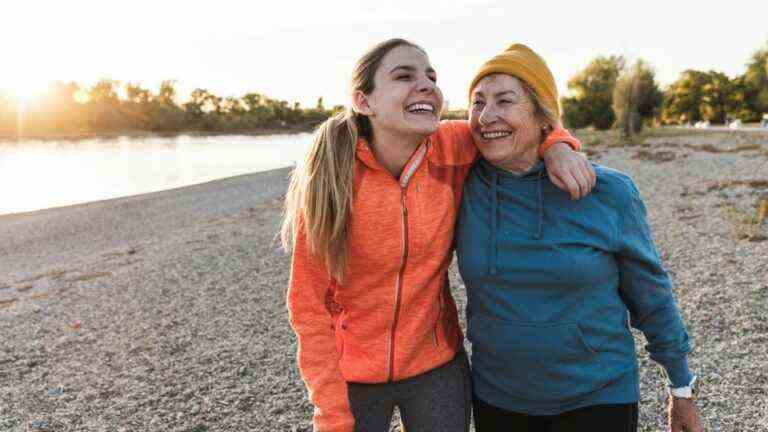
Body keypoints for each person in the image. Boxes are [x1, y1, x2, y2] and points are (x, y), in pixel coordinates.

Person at [282, 38, 594, 432]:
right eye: (404, 76)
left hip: (436, 365)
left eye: (431, 76)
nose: (426, 84)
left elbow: (520, 125)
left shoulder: (453, 146)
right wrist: (331, 413)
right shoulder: (332, 180)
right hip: (352, 374)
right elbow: (308, 308)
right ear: (364, 102)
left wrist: (557, 146)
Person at [455, 43, 704, 432]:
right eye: (477, 102)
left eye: (505, 100)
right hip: (498, 396)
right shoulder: (458, 186)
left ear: (543, 116)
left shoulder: (609, 192)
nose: (487, 116)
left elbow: (651, 295)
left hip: (599, 395)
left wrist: (681, 387)